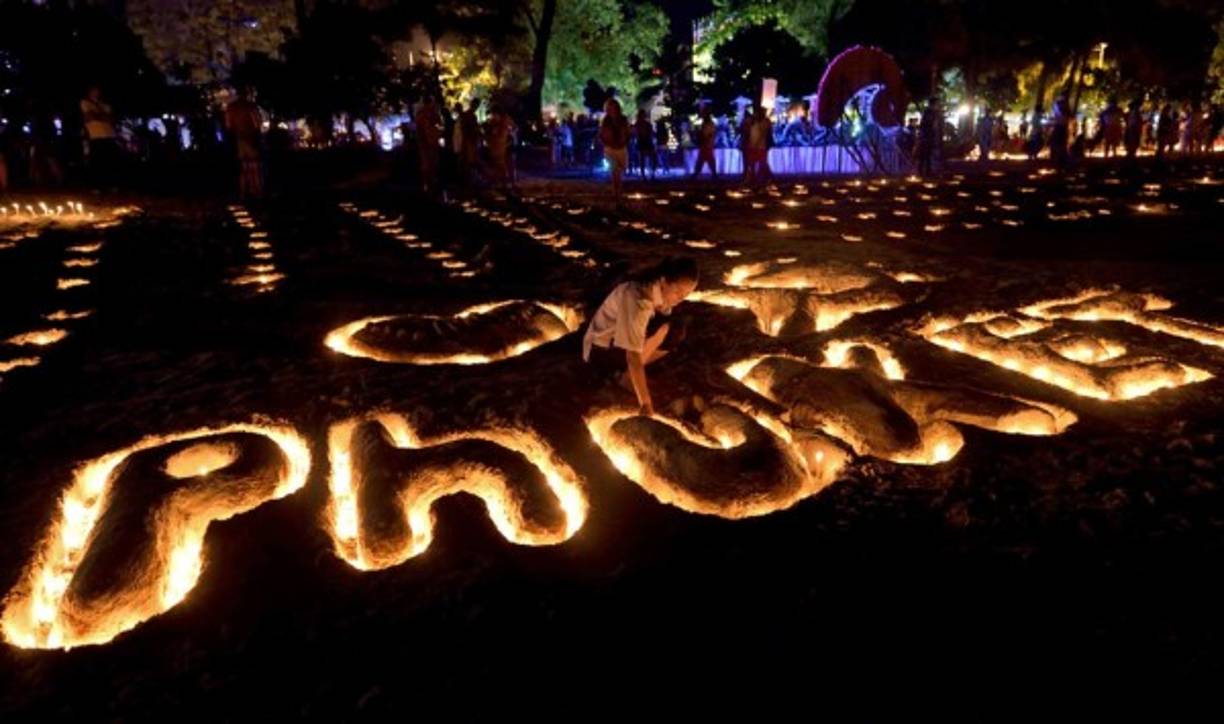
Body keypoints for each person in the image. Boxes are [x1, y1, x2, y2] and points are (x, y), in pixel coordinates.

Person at [582, 257, 699, 416]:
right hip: (600, 352)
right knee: (664, 329)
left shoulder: (656, 291)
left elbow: (662, 315)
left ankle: (628, 373)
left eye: (686, 294)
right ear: (664, 281)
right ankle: (627, 377)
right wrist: (645, 403)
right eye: (678, 291)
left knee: (675, 329)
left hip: (617, 344)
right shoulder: (638, 299)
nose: (681, 298)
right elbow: (633, 355)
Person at [224, 85, 264, 200]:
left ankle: (243, 193)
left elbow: (228, 125)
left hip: (238, 140)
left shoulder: (231, 108)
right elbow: (257, 124)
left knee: (243, 168)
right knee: (255, 168)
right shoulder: (251, 107)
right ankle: (257, 192)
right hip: (251, 139)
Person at [80, 85, 119, 190]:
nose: (96, 93)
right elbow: (90, 116)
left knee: (109, 161)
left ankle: (110, 184)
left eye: (98, 91)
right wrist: (102, 116)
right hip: (95, 136)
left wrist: (100, 115)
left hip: (109, 135)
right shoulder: (85, 103)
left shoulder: (105, 105)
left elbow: (111, 118)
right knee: (97, 162)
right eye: (94, 91)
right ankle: (97, 185)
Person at [599, 98, 630, 204]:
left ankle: (617, 191)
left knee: (620, 171)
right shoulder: (606, 120)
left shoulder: (623, 119)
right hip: (610, 148)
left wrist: (625, 141)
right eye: (609, 107)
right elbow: (601, 134)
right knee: (614, 172)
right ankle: (616, 193)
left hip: (621, 148)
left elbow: (627, 132)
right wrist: (605, 142)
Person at [415, 95, 442, 193]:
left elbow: (418, 128)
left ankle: (427, 184)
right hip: (430, 141)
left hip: (424, 142)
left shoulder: (420, 113)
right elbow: (439, 123)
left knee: (426, 163)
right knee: (432, 162)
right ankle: (431, 182)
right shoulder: (432, 113)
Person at [484, 104, 515, 188]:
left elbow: (512, 128)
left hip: (503, 146)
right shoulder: (495, 122)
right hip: (499, 146)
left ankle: (507, 183)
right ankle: (503, 183)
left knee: (504, 164)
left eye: (494, 114)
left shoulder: (504, 120)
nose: (493, 116)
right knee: (500, 165)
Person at [744, 105, 771, 185]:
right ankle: (752, 178)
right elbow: (746, 128)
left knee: (763, 163)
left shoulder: (765, 121)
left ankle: (768, 177)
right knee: (751, 163)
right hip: (752, 145)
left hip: (760, 146)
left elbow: (763, 134)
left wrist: (757, 143)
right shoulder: (753, 121)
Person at [692, 104, 718, 178]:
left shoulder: (709, 124)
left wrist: (705, 139)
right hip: (706, 144)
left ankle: (697, 174)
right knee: (705, 159)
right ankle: (713, 174)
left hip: (707, 144)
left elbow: (710, 134)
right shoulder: (706, 123)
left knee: (705, 159)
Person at [916, 97, 939, 176]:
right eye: (936, 104)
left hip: (928, 135)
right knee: (925, 154)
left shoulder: (931, 113)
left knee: (928, 154)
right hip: (927, 136)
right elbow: (928, 124)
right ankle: (923, 171)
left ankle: (926, 170)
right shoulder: (929, 112)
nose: (938, 106)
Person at [633, 109, 655, 178]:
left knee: (650, 158)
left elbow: (651, 133)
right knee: (642, 159)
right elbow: (635, 134)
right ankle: (645, 174)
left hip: (646, 142)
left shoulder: (646, 124)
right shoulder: (638, 124)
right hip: (642, 142)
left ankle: (650, 173)